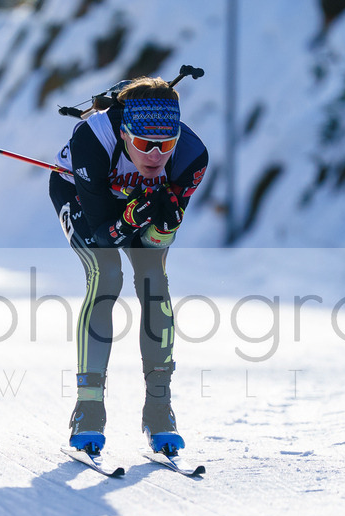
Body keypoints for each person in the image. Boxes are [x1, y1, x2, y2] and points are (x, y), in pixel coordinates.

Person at [48, 76, 208, 456]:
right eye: (143, 144)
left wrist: (164, 226)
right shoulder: (92, 139)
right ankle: (88, 408)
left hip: (131, 203)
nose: (155, 155)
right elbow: (104, 234)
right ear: (123, 133)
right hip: (81, 194)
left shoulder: (191, 157)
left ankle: (159, 409)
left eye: (165, 145)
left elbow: (155, 246)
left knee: (154, 282)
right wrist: (131, 217)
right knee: (106, 274)